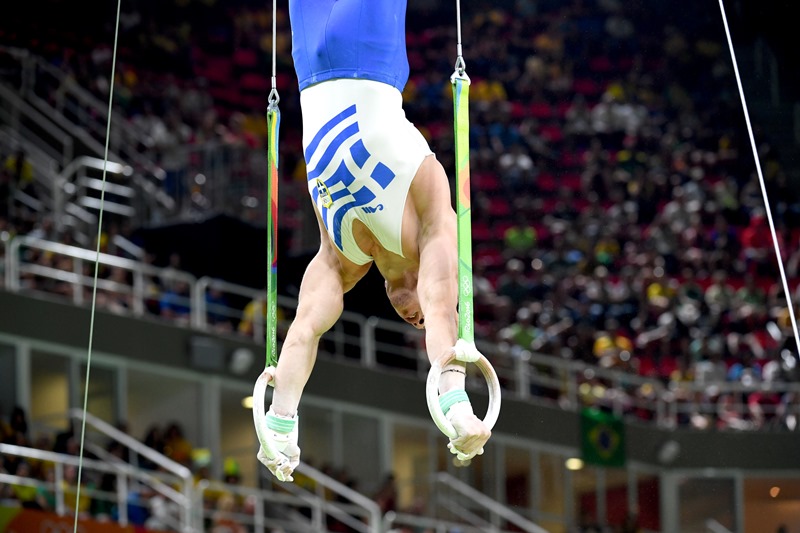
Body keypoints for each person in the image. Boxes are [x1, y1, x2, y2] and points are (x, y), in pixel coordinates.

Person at [257, 0, 492, 482]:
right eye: (420, 320)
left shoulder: (340, 258)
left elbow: (301, 333)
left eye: (414, 323)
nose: (417, 319)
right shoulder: (433, 228)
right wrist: (458, 407)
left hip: (308, 64)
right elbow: (444, 314)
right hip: (372, 53)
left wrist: (278, 426)